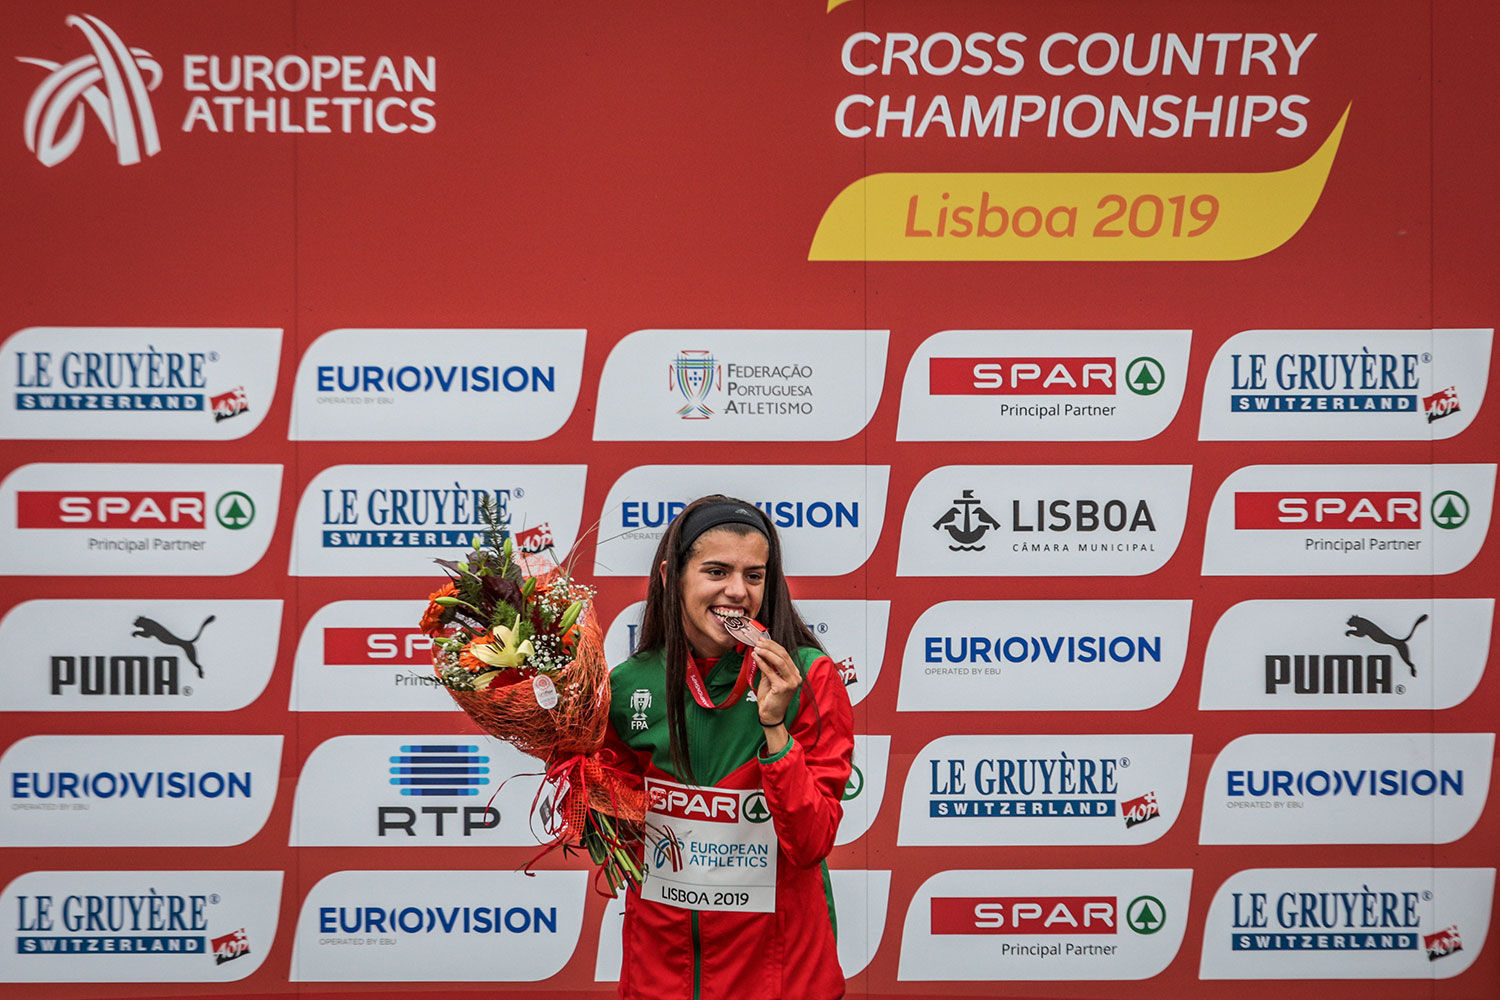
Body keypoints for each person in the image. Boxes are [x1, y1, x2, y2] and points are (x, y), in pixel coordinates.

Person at [603, 495, 854, 1000]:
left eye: (754, 575)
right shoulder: (628, 684)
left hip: (781, 978)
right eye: (717, 571)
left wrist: (774, 728)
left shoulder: (808, 676)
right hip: (661, 973)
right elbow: (617, 834)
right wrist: (564, 752)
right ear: (672, 576)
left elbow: (810, 843)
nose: (737, 591)